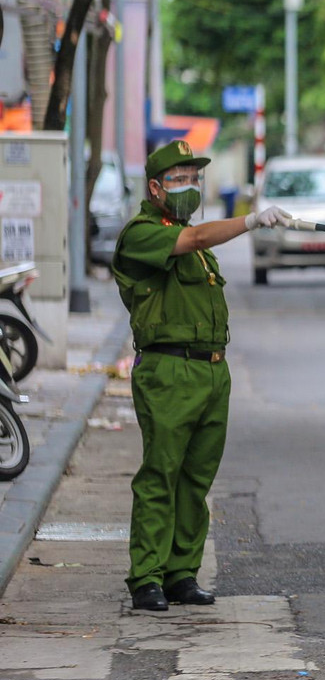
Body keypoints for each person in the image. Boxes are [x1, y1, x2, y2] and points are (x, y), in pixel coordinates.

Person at [112, 141, 291, 611]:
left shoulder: (194, 243)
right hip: (169, 370)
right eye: (179, 178)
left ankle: (181, 574)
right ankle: (146, 577)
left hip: (212, 370)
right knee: (161, 474)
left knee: (196, 478)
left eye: (195, 177)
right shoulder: (144, 234)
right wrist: (251, 220)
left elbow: (196, 242)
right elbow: (194, 240)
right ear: (154, 188)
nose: (190, 186)